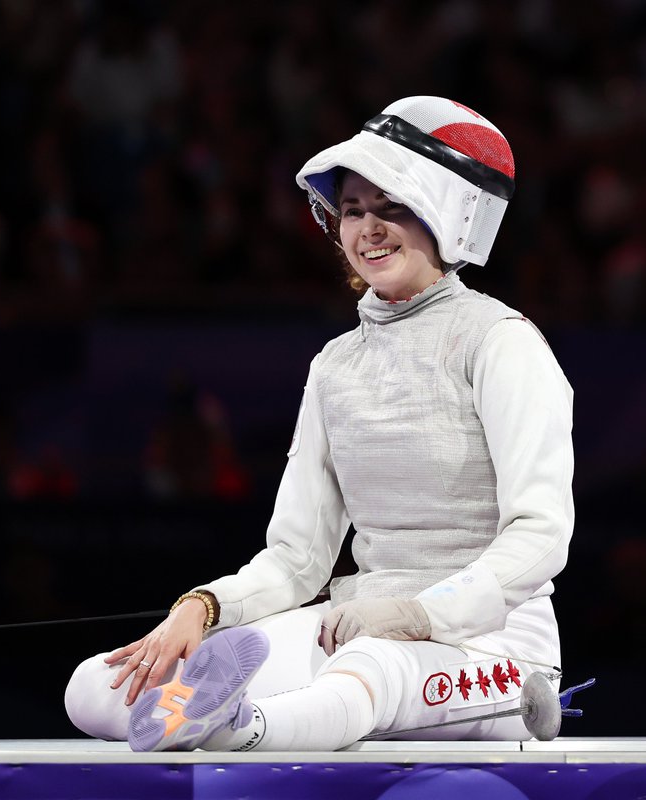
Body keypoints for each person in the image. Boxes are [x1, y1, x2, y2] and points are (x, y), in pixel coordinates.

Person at [64, 96, 576, 752]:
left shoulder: (501, 343)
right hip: (354, 626)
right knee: (101, 686)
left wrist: (416, 614)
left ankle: (245, 731)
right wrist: (202, 606)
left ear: (452, 218)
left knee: (373, 669)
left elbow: (540, 535)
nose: (369, 228)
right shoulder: (337, 365)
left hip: (493, 649)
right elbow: (298, 559)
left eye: (393, 208)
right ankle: (227, 716)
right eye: (355, 210)